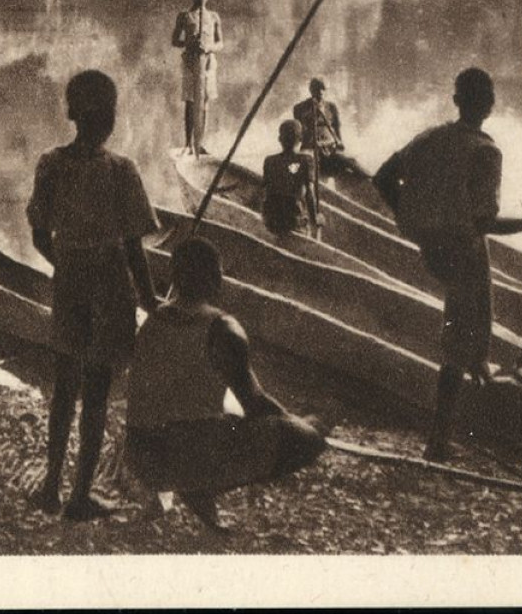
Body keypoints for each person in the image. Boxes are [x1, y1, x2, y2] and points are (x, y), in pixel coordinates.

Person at [372, 67, 522, 460]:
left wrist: (411, 223)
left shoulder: (430, 138)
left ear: (456, 100)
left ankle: (483, 388)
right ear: (491, 105)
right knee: (459, 341)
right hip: (462, 251)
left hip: (435, 250)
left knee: (475, 324)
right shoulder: (485, 151)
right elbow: (484, 223)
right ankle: (439, 442)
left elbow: (382, 178)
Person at [26, 70, 162, 520]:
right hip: (109, 290)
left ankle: (49, 487)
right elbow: (133, 249)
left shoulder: (50, 164)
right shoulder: (121, 171)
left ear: (73, 115)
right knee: (97, 392)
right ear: (108, 118)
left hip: (69, 284)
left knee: (64, 387)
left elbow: (39, 234)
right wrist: (151, 301)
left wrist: (66, 264)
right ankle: (80, 496)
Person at [126, 237, 328, 530]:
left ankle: (194, 483)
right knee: (307, 440)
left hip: (141, 457)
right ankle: (200, 485)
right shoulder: (222, 328)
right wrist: (297, 424)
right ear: (215, 279)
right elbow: (256, 403)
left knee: (219, 414)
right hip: (182, 456)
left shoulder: (152, 321)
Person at [171, 0, 224, 156]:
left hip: (208, 63)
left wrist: (208, 47)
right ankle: (188, 143)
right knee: (190, 102)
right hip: (190, 63)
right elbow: (175, 41)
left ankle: (200, 142)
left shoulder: (214, 16)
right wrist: (189, 42)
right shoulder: (184, 16)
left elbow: (220, 43)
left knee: (205, 101)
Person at [293, 77, 369, 180]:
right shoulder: (300, 108)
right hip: (311, 150)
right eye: (317, 88)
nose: (320, 91)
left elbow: (337, 129)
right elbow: (301, 134)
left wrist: (339, 143)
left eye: (322, 88)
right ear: (311, 90)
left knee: (351, 161)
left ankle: (373, 179)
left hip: (330, 149)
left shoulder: (331, 107)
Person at [260, 120, 319, 237]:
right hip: (294, 223)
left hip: (272, 222)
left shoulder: (269, 161)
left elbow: (264, 192)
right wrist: (315, 221)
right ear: (301, 140)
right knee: (317, 218)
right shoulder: (307, 160)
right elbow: (310, 194)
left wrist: (264, 218)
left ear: (279, 139)